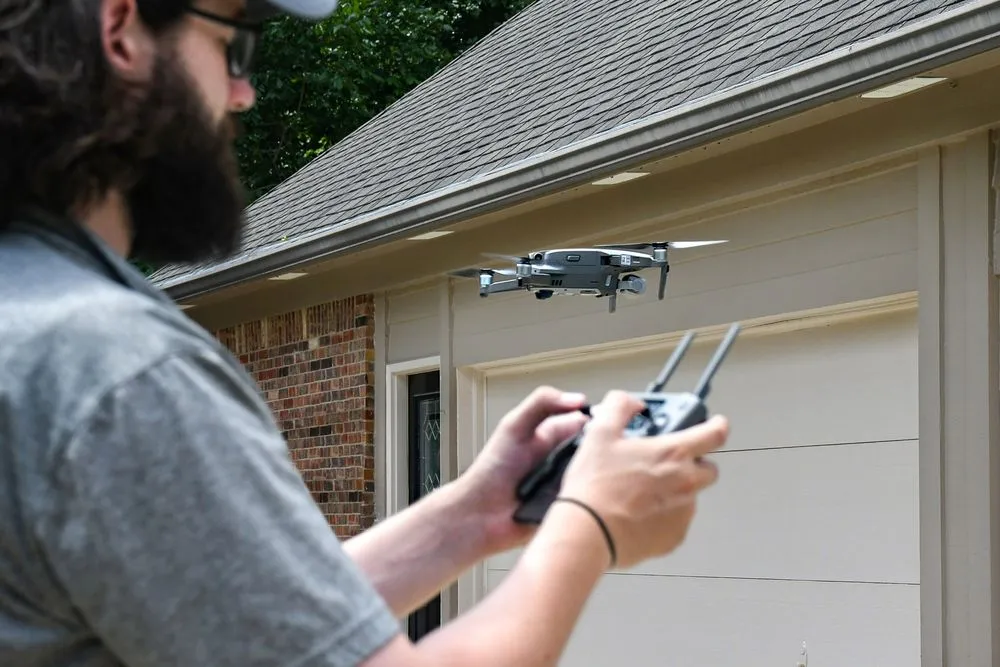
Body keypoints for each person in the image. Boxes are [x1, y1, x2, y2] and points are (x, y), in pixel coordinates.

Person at [0, 0, 731, 665]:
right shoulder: (115, 371)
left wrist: (473, 515)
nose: (242, 91)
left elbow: (265, 628)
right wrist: (592, 526)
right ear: (121, 29)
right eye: (232, 45)